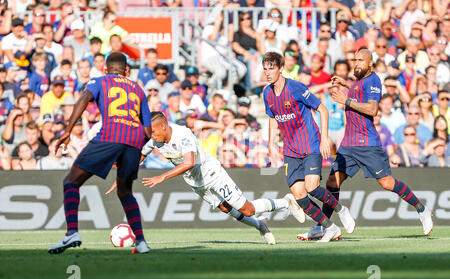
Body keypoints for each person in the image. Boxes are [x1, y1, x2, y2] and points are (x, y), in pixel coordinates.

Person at [107, 111, 306, 245]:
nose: (151, 136)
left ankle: (285, 202)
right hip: (196, 182)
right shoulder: (153, 139)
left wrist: (162, 177)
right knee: (225, 208)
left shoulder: (182, 134)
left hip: (212, 174)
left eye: (154, 132)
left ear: (164, 126)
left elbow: (189, 162)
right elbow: (141, 156)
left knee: (247, 208)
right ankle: (260, 225)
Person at [48, 52, 152, 255]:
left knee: (71, 181)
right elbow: (148, 132)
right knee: (125, 191)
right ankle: (140, 242)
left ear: (106, 69)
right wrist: (128, 150)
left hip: (111, 135)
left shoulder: (99, 81)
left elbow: (84, 99)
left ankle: (72, 232)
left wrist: (68, 131)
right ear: (126, 70)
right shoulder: (138, 89)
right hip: (135, 139)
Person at [325, 48, 433, 238]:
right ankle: (324, 225)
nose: (356, 63)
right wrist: (346, 84)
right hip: (349, 144)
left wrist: (345, 99)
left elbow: (373, 109)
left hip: (367, 143)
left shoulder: (373, 80)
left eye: (361, 60)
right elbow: (358, 94)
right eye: (355, 59)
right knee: (332, 182)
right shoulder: (358, 81)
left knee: (387, 183)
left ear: (370, 64)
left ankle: (421, 209)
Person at [262, 51, 353, 243]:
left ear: (280, 68)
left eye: (271, 68)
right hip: (290, 150)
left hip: (310, 144)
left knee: (312, 188)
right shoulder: (267, 93)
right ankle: (331, 228)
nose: (267, 72)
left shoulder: (295, 88)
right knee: (300, 196)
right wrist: (271, 143)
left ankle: (340, 209)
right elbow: (272, 118)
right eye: (265, 69)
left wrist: (324, 139)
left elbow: (322, 109)